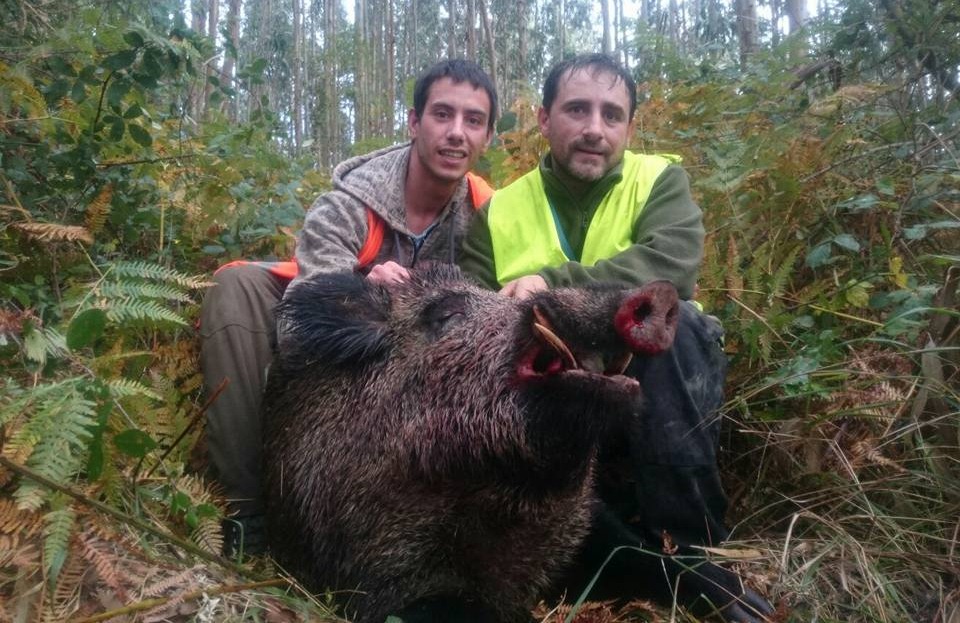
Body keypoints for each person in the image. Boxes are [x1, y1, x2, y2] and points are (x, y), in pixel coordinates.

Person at [459, 54, 774, 622]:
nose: (593, 129)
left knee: (679, 328)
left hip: (651, 386)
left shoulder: (659, 181)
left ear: (630, 126)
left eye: (611, 114)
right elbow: (471, 314)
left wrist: (550, 285)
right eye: (577, 109)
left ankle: (692, 550)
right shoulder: (499, 210)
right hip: (543, 401)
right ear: (543, 119)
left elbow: (668, 270)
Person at [199, 58, 497, 557]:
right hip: (347, 339)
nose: (455, 133)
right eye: (442, 114)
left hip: (429, 365)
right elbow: (309, 314)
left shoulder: (490, 214)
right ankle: (246, 508)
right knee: (236, 288)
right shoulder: (349, 203)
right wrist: (363, 284)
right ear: (414, 122)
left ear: (488, 136)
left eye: (473, 120)